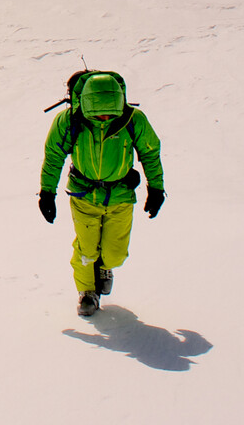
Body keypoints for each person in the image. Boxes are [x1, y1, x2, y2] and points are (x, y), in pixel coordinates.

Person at [37, 71, 165, 317]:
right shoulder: (69, 121)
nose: (104, 118)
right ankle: (87, 292)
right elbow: (54, 156)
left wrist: (156, 188)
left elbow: (150, 152)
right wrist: (47, 193)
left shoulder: (133, 120)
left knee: (115, 253)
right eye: (98, 114)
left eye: (110, 113)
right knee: (87, 249)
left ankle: (106, 267)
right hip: (84, 196)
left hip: (120, 197)